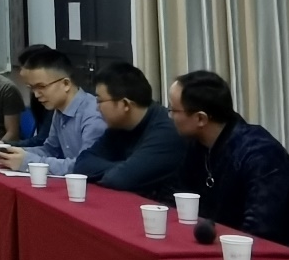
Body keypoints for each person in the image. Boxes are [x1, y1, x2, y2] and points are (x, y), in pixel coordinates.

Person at [171, 70, 289, 243]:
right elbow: (176, 197)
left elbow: (261, 230)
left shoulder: (260, 154)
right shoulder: (197, 145)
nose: (170, 117)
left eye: (173, 110)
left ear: (201, 119)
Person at [73, 62, 185, 203]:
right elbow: (82, 165)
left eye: (100, 101)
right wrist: (127, 167)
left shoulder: (167, 131)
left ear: (125, 104)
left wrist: (126, 170)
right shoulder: (118, 127)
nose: (97, 108)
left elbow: (119, 179)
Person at [0, 49, 106, 175]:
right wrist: (12, 152)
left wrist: (28, 162)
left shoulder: (94, 114)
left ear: (66, 84)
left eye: (41, 87)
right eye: (32, 88)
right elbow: (50, 150)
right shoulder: (59, 110)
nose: (36, 95)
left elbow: (84, 166)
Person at [8, 45, 55, 148]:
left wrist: (6, 145)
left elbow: (42, 140)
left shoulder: (54, 99)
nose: (21, 73)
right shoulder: (35, 95)